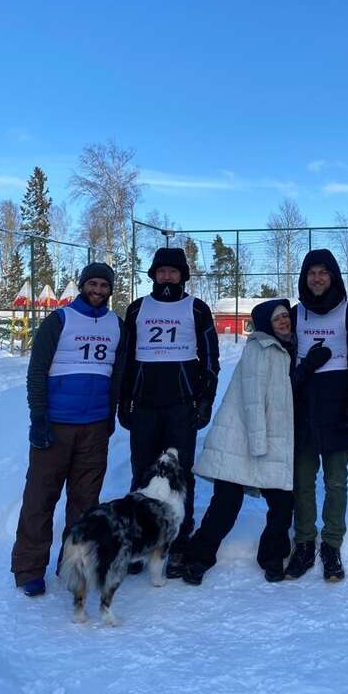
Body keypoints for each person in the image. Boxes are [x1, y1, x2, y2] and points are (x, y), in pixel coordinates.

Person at [11, 262, 126, 596]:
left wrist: (111, 415)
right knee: (40, 497)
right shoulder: (59, 320)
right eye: (92, 283)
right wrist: (39, 418)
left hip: (94, 427)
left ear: (110, 290)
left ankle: (71, 564)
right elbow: (37, 372)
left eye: (105, 285)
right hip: (56, 425)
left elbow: (116, 375)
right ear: (82, 285)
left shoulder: (116, 325)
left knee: (85, 502)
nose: (98, 290)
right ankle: (29, 568)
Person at [120, 247, 219, 577]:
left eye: (173, 271)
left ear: (183, 275)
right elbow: (127, 360)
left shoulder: (197, 309)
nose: (166, 276)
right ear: (152, 274)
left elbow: (209, 360)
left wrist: (205, 399)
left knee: (179, 476)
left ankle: (177, 542)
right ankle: (139, 539)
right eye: (161, 271)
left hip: (181, 405)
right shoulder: (137, 308)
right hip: (145, 405)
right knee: (142, 473)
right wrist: (124, 400)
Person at [182, 299, 295, 586]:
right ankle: (197, 558)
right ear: (266, 324)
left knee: (282, 504)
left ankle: (271, 557)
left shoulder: (287, 349)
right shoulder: (260, 349)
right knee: (225, 505)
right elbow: (254, 400)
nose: (283, 322)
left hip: (267, 440)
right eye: (277, 319)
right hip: (244, 441)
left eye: (285, 316)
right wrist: (258, 446)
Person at [286, 248, 348, 582]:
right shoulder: (294, 314)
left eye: (323, 272)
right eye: (311, 273)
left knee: (336, 481)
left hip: (338, 407)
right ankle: (304, 542)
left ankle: (331, 544)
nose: (317, 278)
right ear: (304, 278)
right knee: (302, 482)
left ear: (333, 276)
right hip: (304, 407)